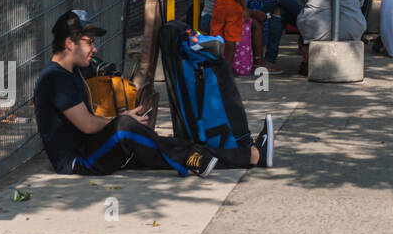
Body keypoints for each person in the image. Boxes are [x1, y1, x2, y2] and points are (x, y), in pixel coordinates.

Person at [34, 10, 273, 175]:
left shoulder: (72, 72)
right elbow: (86, 125)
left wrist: (125, 115)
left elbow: (90, 123)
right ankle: (199, 157)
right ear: (69, 43)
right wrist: (122, 119)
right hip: (77, 162)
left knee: (166, 145)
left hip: (92, 148)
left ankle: (247, 155)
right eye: (89, 42)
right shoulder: (55, 79)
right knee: (127, 130)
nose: (94, 48)